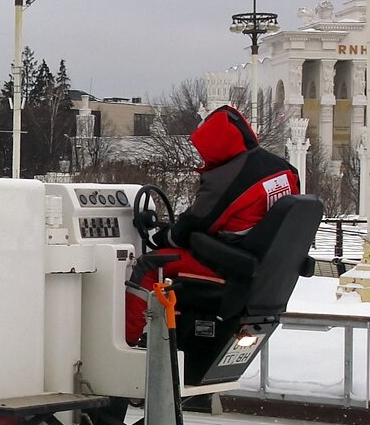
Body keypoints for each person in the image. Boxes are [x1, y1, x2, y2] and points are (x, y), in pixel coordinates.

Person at [125, 105, 300, 346]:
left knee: (148, 266)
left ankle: (128, 342)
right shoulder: (283, 169)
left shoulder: (227, 177)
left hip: (230, 267)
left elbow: (194, 223)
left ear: (214, 145)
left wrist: (163, 236)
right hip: (263, 266)